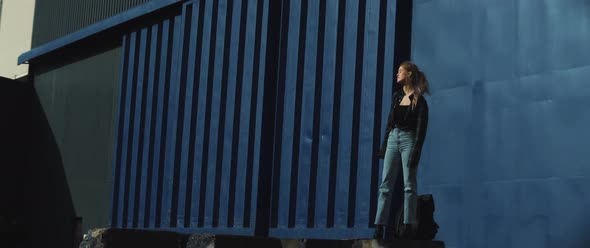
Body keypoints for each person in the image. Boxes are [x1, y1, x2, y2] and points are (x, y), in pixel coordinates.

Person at [374, 61, 430, 240]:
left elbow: (421, 129)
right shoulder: (396, 96)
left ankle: (408, 227)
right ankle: (379, 226)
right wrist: (384, 145)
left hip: (409, 140)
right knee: (385, 186)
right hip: (393, 138)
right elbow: (389, 123)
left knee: (409, 185)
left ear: (409, 74)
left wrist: (417, 151)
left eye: (400, 71)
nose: (397, 74)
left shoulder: (419, 100)